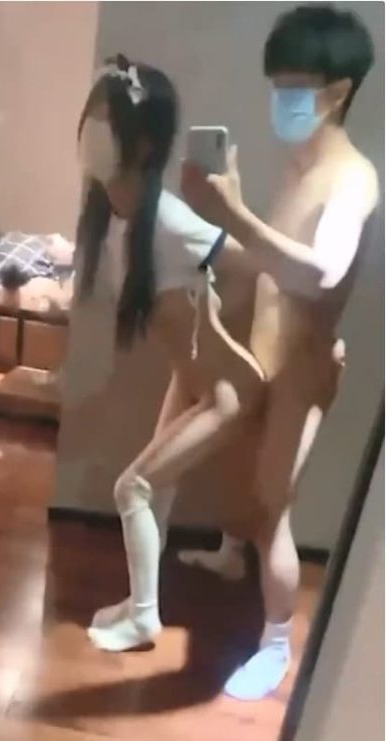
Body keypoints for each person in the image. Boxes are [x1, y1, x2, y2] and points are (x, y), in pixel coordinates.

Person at [180, 5, 378, 700]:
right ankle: (230, 555)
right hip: (260, 348)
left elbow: (321, 272)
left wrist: (234, 216)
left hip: (303, 366)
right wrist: (207, 240)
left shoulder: (353, 178)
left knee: (274, 506)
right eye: (278, 85)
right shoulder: (299, 166)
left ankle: (274, 643)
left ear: (339, 91)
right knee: (240, 469)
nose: (281, 101)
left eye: (295, 88)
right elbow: (268, 260)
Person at [74, 55, 266, 653]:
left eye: (107, 121)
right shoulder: (114, 217)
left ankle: (144, 620)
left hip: (226, 393)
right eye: (91, 117)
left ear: (144, 143)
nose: (92, 132)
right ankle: (141, 602)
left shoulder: (169, 222)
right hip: (191, 380)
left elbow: (253, 266)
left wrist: (218, 322)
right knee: (154, 491)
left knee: (132, 488)